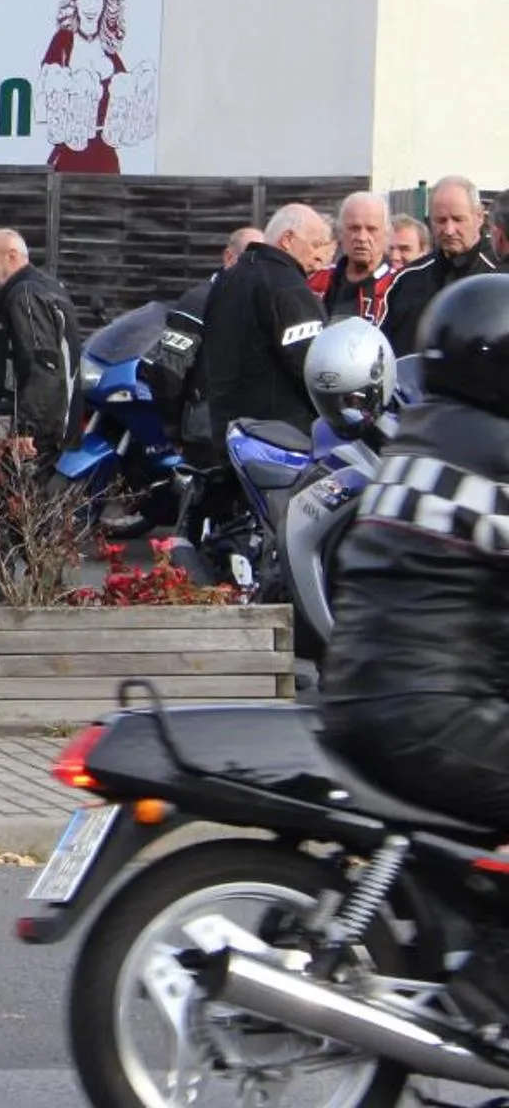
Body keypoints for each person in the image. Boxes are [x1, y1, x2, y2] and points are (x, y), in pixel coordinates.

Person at [319, 274, 509, 1031]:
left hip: (365, 693)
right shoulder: (495, 454)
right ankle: (493, 988)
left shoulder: (420, 436)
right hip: (432, 709)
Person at [203, 203, 332, 434]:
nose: (318, 257)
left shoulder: (226, 279)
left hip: (224, 429)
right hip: (278, 437)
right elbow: (312, 365)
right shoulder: (288, 287)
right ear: (287, 239)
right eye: (314, 245)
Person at [0, 229, 80, 458]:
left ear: (11, 256)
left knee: (12, 492)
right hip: (51, 428)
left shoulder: (25, 295)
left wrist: (27, 428)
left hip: (25, 433)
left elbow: (42, 364)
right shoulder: (46, 288)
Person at [37, 0, 144, 175]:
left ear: (107, 3)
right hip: (68, 161)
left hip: (104, 162)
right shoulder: (63, 42)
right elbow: (43, 99)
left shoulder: (111, 52)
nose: (91, 6)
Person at [385, 176, 498, 353]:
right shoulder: (408, 280)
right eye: (441, 220)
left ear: (479, 217)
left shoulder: (500, 275)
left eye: (458, 219)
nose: (449, 230)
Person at [310, 191, 396, 325]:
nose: (362, 238)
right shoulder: (317, 282)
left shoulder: (398, 286)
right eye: (354, 228)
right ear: (340, 232)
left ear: (386, 233)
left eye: (371, 229)